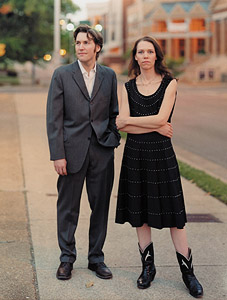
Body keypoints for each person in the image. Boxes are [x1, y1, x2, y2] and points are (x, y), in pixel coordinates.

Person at [115, 36, 203, 298]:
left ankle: (188, 273)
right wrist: (154, 125)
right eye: (140, 51)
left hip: (162, 155)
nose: (144, 56)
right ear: (135, 56)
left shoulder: (170, 84)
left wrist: (136, 121)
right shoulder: (126, 87)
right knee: (140, 213)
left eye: (149, 51)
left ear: (156, 55)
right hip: (135, 154)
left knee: (175, 216)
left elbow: (163, 117)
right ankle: (148, 268)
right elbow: (121, 125)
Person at [46, 24, 120, 281]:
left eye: (86, 43)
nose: (80, 47)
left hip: (102, 152)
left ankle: (96, 259)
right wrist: (58, 154)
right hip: (71, 152)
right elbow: (54, 119)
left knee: (100, 207)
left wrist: (112, 140)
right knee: (68, 208)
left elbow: (113, 113)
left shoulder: (109, 75)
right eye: (78, 43)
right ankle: (66, 259)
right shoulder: (62, 75)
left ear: (97, 47)